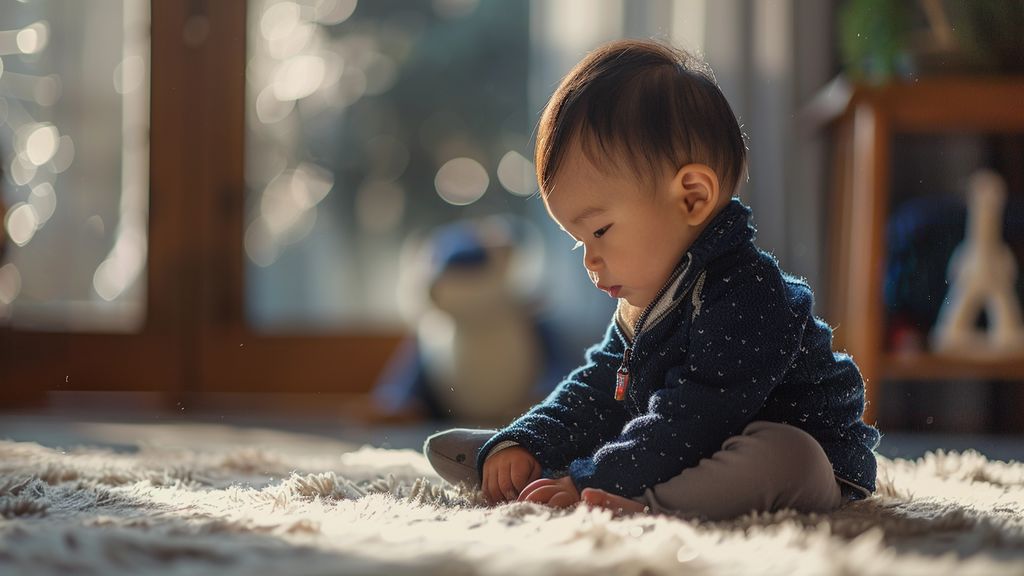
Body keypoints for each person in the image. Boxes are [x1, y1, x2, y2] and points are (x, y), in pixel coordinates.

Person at [423, 39, 880, 520]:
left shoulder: (750, 293)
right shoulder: (649, 299)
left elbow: (697, 415)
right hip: (690, 443)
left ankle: (643, 501)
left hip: (808, 458)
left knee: (785, 455)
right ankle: (524, 460)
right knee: (619, 416)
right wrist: (531, 435)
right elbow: (597, 389)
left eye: (599, 230)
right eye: (579, 241)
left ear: (692, 197)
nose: (590, 259)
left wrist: (594, 479)